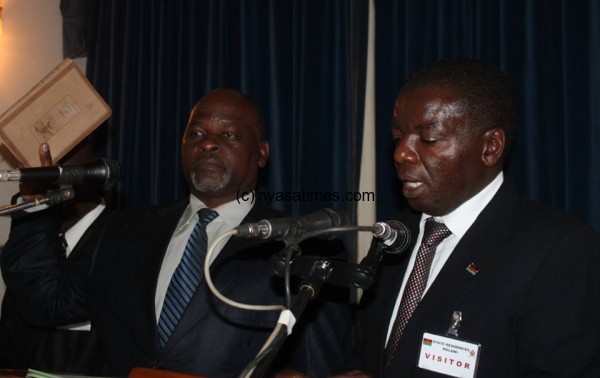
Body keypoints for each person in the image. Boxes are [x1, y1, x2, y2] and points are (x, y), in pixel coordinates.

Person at [1, 88, 351, 377]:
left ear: (261, 154)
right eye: (196, 134)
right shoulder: (121, 231)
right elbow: (46, 303)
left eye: (228, 134)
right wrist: (36, 203)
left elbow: (322, 366)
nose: (208, 144)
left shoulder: (303, 246)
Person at [335, 59, 600, 377]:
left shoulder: (558, 251)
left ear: (490, 147)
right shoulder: (395, 235)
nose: (401, 154)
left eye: (429, 139)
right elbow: (366, 352)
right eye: (397, 138)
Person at [0, 139, 109, 375]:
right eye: (37, 172)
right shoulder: (29, 248)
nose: (43, 182)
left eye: (54, 171)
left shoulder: (120, 240)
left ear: (92, 176)